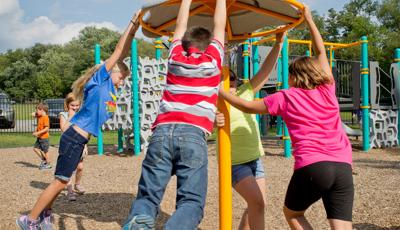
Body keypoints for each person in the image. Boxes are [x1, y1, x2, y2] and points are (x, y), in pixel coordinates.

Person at [218, 6, 354, 230]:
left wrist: (219, 91)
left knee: (292, 213)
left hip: (313, 165)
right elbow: (321, 52)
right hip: (343, 165)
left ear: (294, 76)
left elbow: (248, 107)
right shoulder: (327, 89)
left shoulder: (286, 97)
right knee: (341, 225)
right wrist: (310, 19)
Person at [16, 10, 141, 230]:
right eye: (121, 77)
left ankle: (45, 214)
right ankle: (29, 219)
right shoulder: (100, 80)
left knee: (62, 181)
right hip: (74, 137)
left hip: (79, 140)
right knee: (60, 181)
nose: (122, 82)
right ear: (111, 71)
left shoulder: (110, 89)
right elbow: (120, 50)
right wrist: (133, 24)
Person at [123, 0, 226, 229]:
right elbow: (220, 25)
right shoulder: (214, 61)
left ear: (184, 44)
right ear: (209, 46)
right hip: (193, 134)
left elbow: (180, 26)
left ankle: (140, 221)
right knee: (191, 201)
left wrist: (186, 1)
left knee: (148, 196)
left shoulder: (175, 57)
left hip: (161, 133)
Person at [215, 31, 285, 230]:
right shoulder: (216, 101)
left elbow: (266, 69)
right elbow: (205, 122)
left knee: (257, 205)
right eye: (226, 79)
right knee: (257, 203)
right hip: (234, 162)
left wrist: (278, 45)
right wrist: (214, 121)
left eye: (233, 79)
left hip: (255, 159)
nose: (232, 83)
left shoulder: (245, 91)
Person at [59, 92, 88, 201]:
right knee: (69, 169)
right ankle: (70, 191)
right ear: (67, 105)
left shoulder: (81, 115)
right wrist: (71, 117)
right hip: (68, 145)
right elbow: (64, 129)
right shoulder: (64, 115)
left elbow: (84, 131)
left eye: (77, 105)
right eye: (72, 105)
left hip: (79, 144)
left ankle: (78, 184)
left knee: (80, 167)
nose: (75, 108)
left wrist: (85, 146)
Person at [32, 103, 51, 170]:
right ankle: (44, 160)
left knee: (46, 151)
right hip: (39, 137)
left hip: (44, 138)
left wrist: (37, 132)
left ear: (42, 110)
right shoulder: (40, 116)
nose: (36, 111)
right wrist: (35, 114)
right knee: (35, 149)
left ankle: (48, 164)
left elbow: (46, 129)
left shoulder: (45, 118)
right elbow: (34, 115)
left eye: (37, 110)